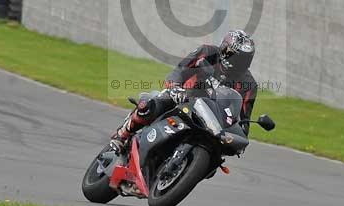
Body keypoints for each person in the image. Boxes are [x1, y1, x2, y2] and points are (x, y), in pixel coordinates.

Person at [110, 30, 258, 152]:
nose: (239, 63)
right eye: (236, 57)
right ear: (225, 50)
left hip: (211, 120)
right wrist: (174, 86)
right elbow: (181, 70)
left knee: (216, 157)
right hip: (183, 98)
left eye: (244, 59)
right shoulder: (206, 51)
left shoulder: (249, 85)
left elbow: (243, 121)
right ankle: (122, 134)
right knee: (152, 105)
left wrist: (238, 140)